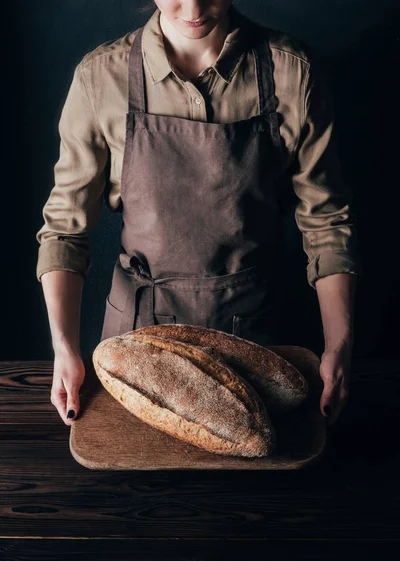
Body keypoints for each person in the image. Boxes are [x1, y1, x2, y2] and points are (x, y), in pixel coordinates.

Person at [36, 1, 362, 429]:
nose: (192, 7)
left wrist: (339, 344)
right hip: (136, 349)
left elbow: (327, 222)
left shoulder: (292, 73)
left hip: (260, 344)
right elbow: (64, 231)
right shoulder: (100, 78)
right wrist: (65, 346)